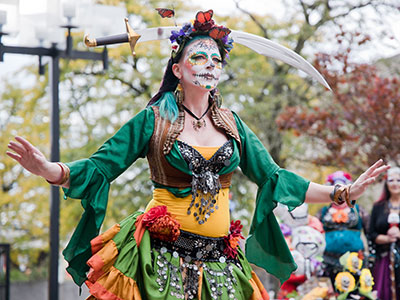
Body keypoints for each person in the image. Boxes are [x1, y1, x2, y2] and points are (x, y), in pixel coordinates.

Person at [6, 10, 389, 300]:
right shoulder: (152, 120)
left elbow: (276, 179)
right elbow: (99, 167)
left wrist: (343, 193)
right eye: (199, 57)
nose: (209, 65)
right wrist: (49, 169)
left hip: (221, 262)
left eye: (216, 60)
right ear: (177, 68)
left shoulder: (233, 124)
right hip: (159, 259)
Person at [318, 171, 369, 286]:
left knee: (356, 290)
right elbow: (314, 232)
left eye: (343, 189)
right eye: (336, 189)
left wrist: (371, 255)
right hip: (328, 260)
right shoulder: (323, 212)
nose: (339, 193)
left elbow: (369, 231)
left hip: (356, 259)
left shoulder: (358, 210)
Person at [369, 167, 400, 300]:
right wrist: (388, 238)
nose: (395, 183)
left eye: (399, 180)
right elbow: (371, 233)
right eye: (391, 180)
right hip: (384, 258)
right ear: (386, 183)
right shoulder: (378, 206)